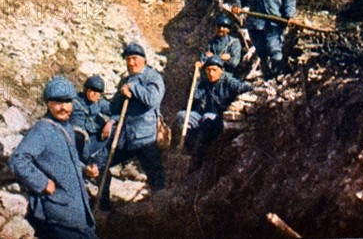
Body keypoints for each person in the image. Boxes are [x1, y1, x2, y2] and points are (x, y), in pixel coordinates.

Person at [9, 76, 99, 239]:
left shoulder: (66, 128)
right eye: (58, 102)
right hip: (58, 211)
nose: (64, 107)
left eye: (67, 102)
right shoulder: (42, 130)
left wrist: (84, 169)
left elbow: (67, 160)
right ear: (48, 103)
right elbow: (18, 160)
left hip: (75, 206)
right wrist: (42, 182)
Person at [100, 42, 166, 208]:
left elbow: (152, 100)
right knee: (102, 162)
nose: (131, 63)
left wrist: (134, 88)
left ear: (143, 59)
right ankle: (103, 205)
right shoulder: (126, 79)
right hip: (125, 137)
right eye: (128, 59)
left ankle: (159, 212)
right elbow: (115, 107)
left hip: (146, 137)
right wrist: (111, 119)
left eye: (134, 58)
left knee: (156, 178)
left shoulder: (153, 77)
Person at [176, 56, 253, 170]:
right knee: (181, 116)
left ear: (221, 70)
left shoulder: (228, 81)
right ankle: (190, 146)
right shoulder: (205, 82)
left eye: (214, 70)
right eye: (208, 70)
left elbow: (246, 88)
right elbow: (195, 96)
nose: (211, 73)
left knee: (208, 117)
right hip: (203, 118)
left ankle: (198, 156)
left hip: (218, 120)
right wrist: (196, 80)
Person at [70, 75, 112, 171]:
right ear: (86, 90)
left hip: (95, 140)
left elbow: (114, 110)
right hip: (79, 143)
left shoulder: (98, 102)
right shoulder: (74, 103)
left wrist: (110, 122)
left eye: (98, 92)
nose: (95, 94)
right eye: (92, 90)